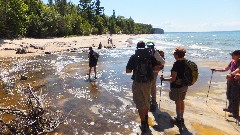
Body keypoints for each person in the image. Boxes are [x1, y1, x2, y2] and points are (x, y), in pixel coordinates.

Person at [126, 41, 158, 133]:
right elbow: (156, 68)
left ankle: (143, 123)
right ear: (145, 47)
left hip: (137, 82)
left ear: (137, 47)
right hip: (148, 82)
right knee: (146, 100)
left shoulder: (134, 57)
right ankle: (146, 119)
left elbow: (128, 71)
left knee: (139, 102)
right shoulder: (150, 56)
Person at [160, 47, 188, 125]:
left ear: (177, 55)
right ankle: (181, 118)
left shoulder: (177, 64)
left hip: (177, 86)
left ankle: (179, 120)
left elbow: (173, 78)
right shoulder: (186, 62)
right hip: (185, 85)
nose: (173, 55)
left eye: (174, 54)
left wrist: (163, 79)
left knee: (178, 102)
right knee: (181, 101)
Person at [212, 50, 240, 118]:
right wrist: (216, 69)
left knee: (235, 97)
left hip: (237, 82)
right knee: (229, 94)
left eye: (233, 55)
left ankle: (235, 113)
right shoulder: (232, 62)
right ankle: (230, 108)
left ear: (238, 56)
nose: (232, 56)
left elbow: (238, 70)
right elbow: (225, 69)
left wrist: (231, 74)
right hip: (230, 80)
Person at [146, 42, 165, 112]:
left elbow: (163, 62)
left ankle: (152, 100)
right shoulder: (155, 52)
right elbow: (162, 62)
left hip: (152, 71)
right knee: (152, 85)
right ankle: (152, 100)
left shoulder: (153, 52)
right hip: (153, 71)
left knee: (151, 85)